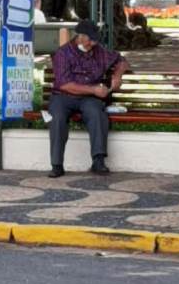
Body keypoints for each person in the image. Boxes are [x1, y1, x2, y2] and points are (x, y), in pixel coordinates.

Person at [48, 19, 129, 178]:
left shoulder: (98, 51)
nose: (92, 43)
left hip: (88, 98)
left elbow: (121, 60)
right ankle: (56, 164)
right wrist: (93, 89)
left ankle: (98, 161)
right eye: (90, 40)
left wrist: (117, 76)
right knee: (57, 118)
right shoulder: (63, 53)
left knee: (96, 113)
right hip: (63, 96)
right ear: (80, 36)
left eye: (94, 40)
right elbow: (64, 84)